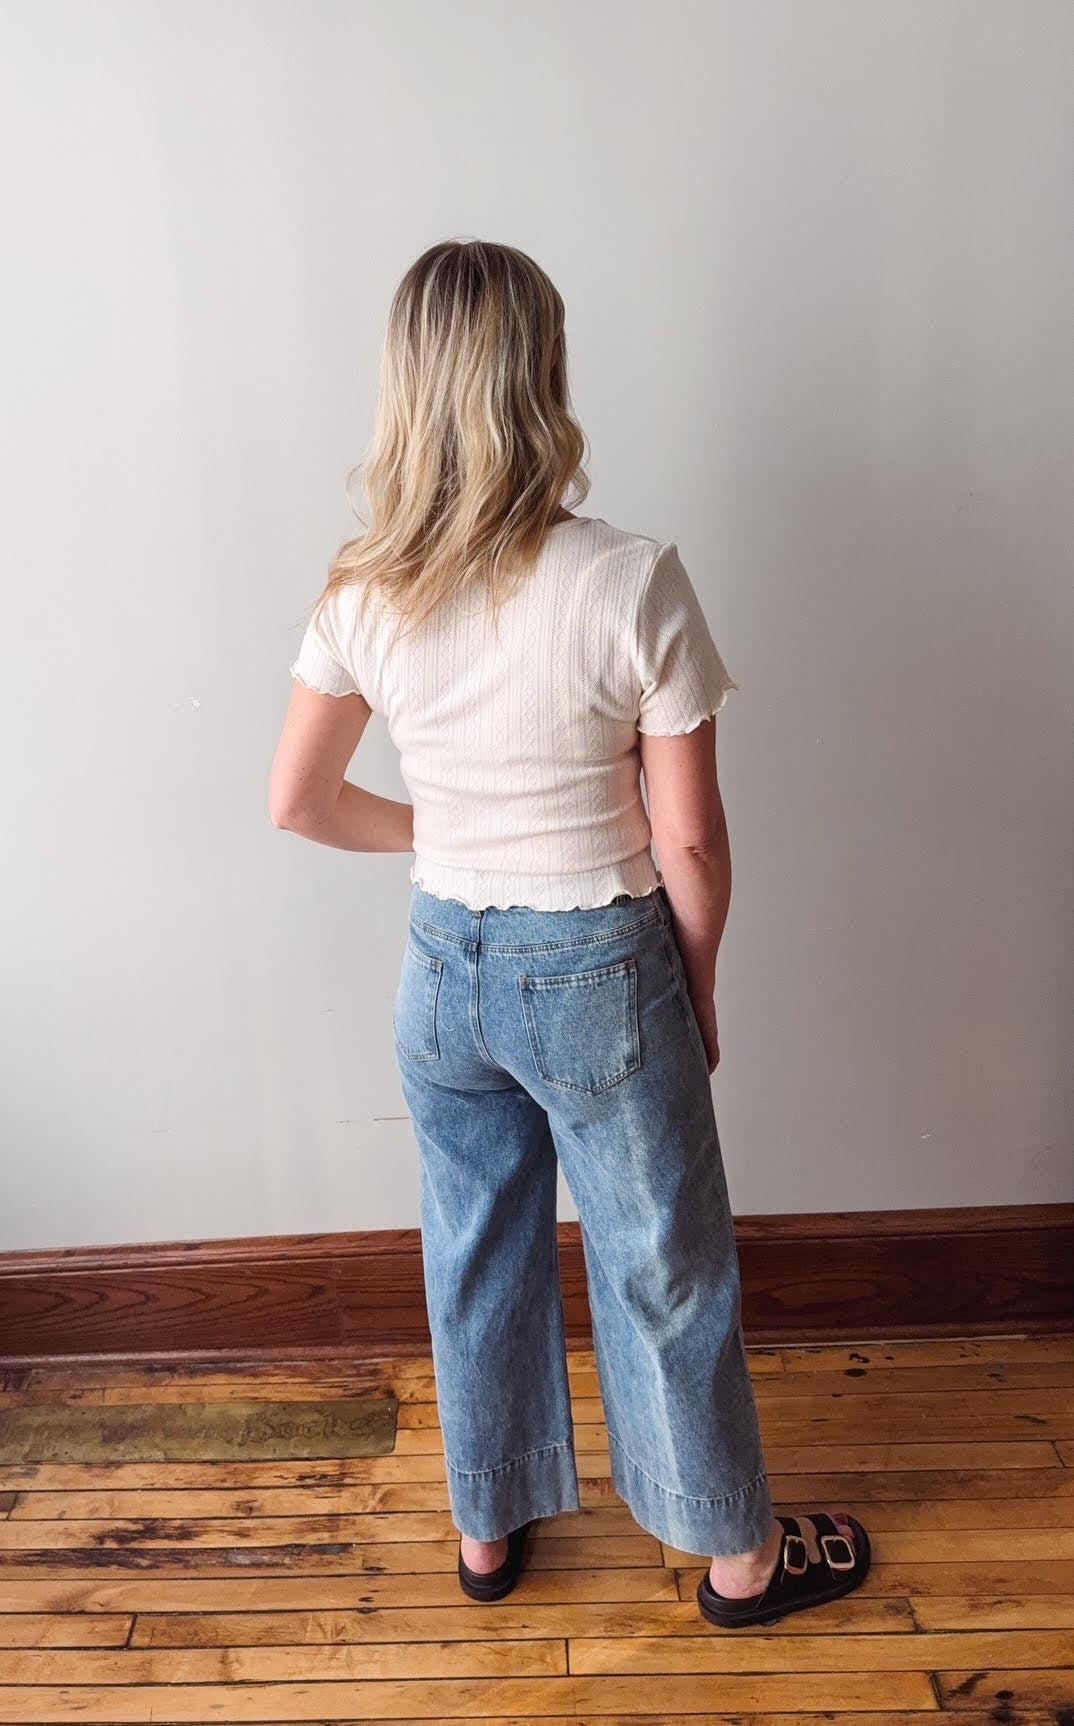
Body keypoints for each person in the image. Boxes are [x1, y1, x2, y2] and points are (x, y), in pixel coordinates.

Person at [269, 238, 871, 1628]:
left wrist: (443, 834)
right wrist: (696, 984)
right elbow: (690, 844)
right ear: (542, 376)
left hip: (442, 975)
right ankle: (739, 1562)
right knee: (662, 1261)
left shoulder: (362, 589)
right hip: (600, 967)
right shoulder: (629, 579)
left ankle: (487, 1532)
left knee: (472, 1247)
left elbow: (295, 803)